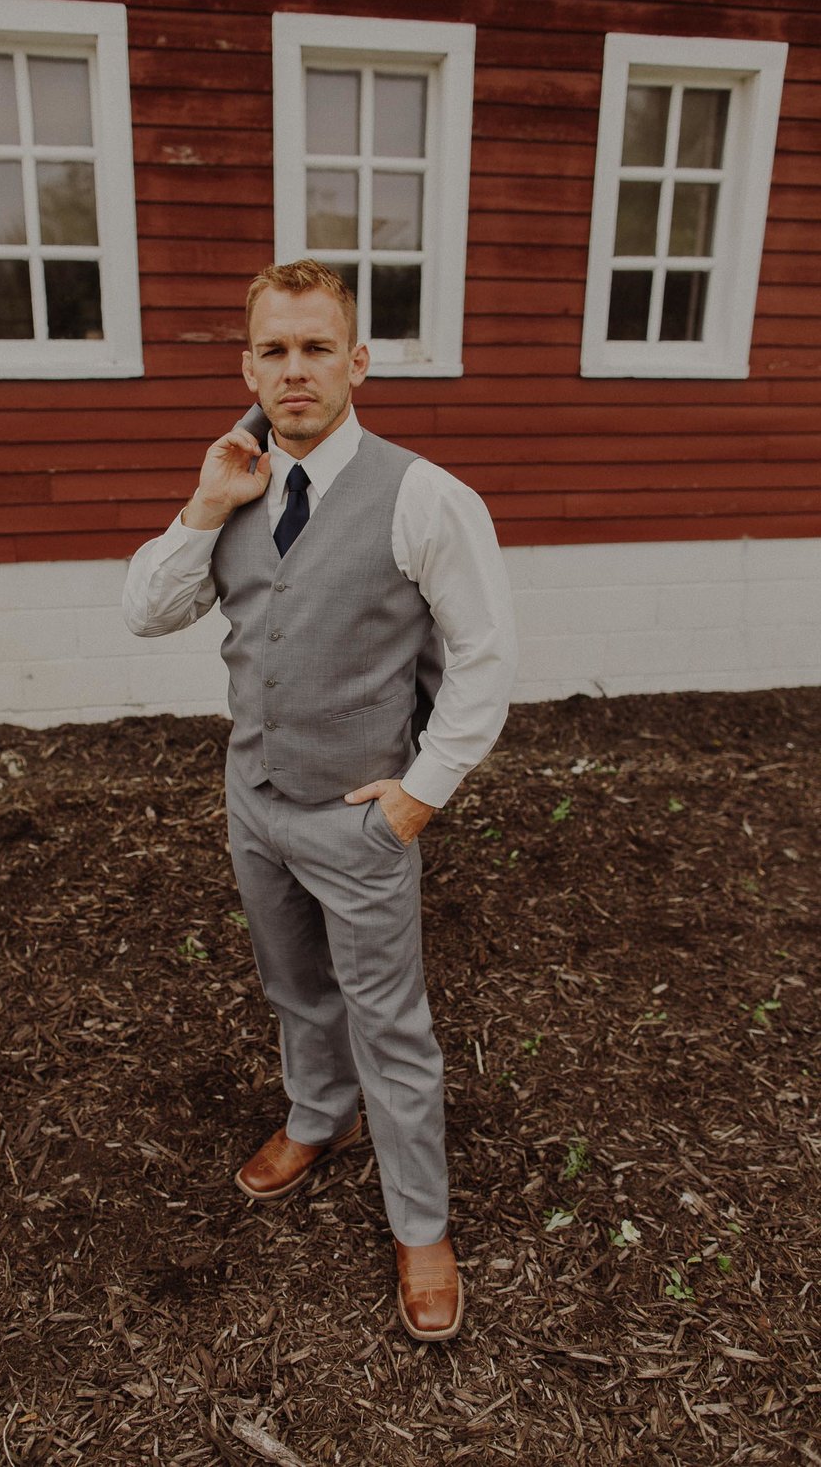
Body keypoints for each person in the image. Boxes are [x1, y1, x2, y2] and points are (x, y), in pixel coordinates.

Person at [123, 259, 517, 1342]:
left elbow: (485, 659)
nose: (295, 370)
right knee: (294, 985)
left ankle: (422, 1226)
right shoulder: (236, 482)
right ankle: (314, 1117)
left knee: (390, 1025)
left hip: (359, 816)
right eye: (274, 351)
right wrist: (207, 503)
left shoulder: (425, 495)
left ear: (357, 361)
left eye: (315, 348)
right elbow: (142, 611)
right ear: (249, 365)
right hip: (255, 797)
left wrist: (416, 800)